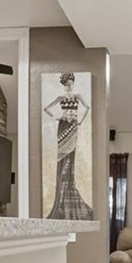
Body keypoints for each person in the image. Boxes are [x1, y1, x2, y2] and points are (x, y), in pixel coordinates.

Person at [43, 72, 92, 220]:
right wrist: (58, 116)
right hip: (63, 125)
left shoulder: (77, 96)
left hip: (73, 126)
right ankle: (61, 195)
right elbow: (47, 108)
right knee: (62, 157)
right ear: (65, 85)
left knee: (71, 156)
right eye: (68, 84)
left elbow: (87, 108)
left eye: (71, 83)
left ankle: (70, 187)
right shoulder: (60, 98)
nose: (70, 86)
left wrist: (80, 121)